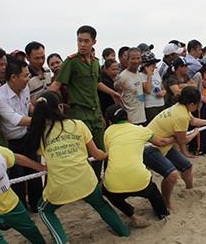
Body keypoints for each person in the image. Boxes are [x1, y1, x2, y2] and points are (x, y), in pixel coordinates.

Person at [27, 92, 129, 242]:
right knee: (100, 204)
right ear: (60, 107)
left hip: (60, 185)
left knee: (43, 210)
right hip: (85, 179)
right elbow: (97, 154)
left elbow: (41, 156)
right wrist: (107, 154)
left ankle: (62, 241)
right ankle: (124, 232)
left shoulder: (39, 133)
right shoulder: (77, 124)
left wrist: (43, 166)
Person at [49, 26, 121, 179]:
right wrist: (44, 100)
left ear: (93, 42)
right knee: (88, 152)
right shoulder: (71, 62)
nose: (82, 44)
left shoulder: (95, 62)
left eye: (86, 41)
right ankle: (88, 183)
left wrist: (112, 92)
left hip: (95, 113)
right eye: (79, 40)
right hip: (79, 113)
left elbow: (97, 84)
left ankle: (95, 180)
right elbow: (57, 85)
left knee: (101, 149)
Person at [143, 87, 206, 210]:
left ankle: (189, 190)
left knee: (187, 167)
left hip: (165, 144)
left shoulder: (181, 106)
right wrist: (194, 133)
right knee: (172, 175)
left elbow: (192, 121)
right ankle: (167, 203)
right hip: (149, 147)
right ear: (192, 104)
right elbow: (182, 140)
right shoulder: (180, 116)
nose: (199, 106)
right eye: (198, 104)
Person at [102, 104, 173, 227]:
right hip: (140, 181)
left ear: (108, 121)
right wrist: (173, 139)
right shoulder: (140, 130)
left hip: (114, 184)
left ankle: (132, 215)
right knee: (152, 190)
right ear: (128, 117)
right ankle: (162, 213)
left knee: (107, 192)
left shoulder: (107, 133)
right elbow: (161, 142)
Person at [0, 59, 43, 213]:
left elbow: (27, 106)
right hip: (11, 142)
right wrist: (42, 120)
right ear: (13, 77)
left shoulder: (25, 88)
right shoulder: (0, 97)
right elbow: (17, 120)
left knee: (35, 173)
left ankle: (37, 205)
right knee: (17, 178)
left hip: (28, 137)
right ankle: (20, 209)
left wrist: (38, 111)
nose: (28, 79)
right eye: (25, 75)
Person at [114, 48, 146, 125]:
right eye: (133, 59)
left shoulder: (139, 74)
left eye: (138, 58)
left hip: (142, 118)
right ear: (128, 60)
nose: (136, 61)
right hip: (130, 121)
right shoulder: (122, 77)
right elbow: (117, 97)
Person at [140, 52, 166, 124]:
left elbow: (162, 87)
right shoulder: (140, 75)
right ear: (146, 66)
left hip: (161, 104)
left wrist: (163, 92)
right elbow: (147, 90)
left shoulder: (156, 72)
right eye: (153, 65)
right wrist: (149, 75)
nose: (155, 67)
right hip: (150, 106)